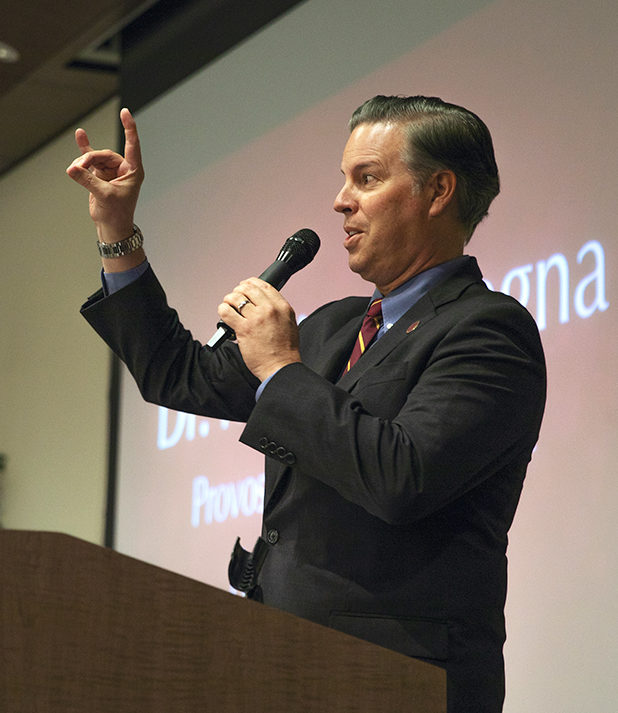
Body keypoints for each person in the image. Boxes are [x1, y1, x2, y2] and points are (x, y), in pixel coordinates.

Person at [67, 95, 546, 713]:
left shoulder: (489, 329)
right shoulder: (332, 327)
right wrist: (116, 232)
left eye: (366, 178)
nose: (340, 201)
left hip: (399, 680)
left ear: (438, 191)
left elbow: (403, 477)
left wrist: (280, 369)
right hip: (282, 663)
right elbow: (176, 375)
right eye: (344, 179)